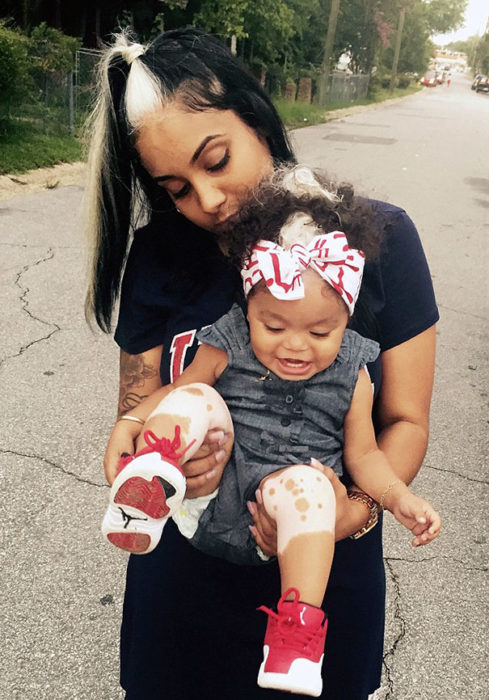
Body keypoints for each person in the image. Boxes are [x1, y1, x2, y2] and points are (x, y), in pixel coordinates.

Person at [84, 27, 439, 700]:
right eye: (176, 188)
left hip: (320, 590)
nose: (207, 200)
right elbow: (137, 405)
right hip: (182, 598)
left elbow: (404, 420)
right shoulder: (160, 252)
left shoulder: (377, 239)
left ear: (256, 114)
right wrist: (134, 448)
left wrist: (353, 511)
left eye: (215, 160)